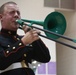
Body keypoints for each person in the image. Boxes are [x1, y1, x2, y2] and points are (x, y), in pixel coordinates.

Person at [0, 1, 51, 75]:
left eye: (18, 13)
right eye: (12, 12)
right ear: (1, 17)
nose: (16, 15)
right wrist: (22, 43)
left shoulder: (24, 38)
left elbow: (45, 58)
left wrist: (34, 37)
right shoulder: (23, 40)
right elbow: (1, 62)